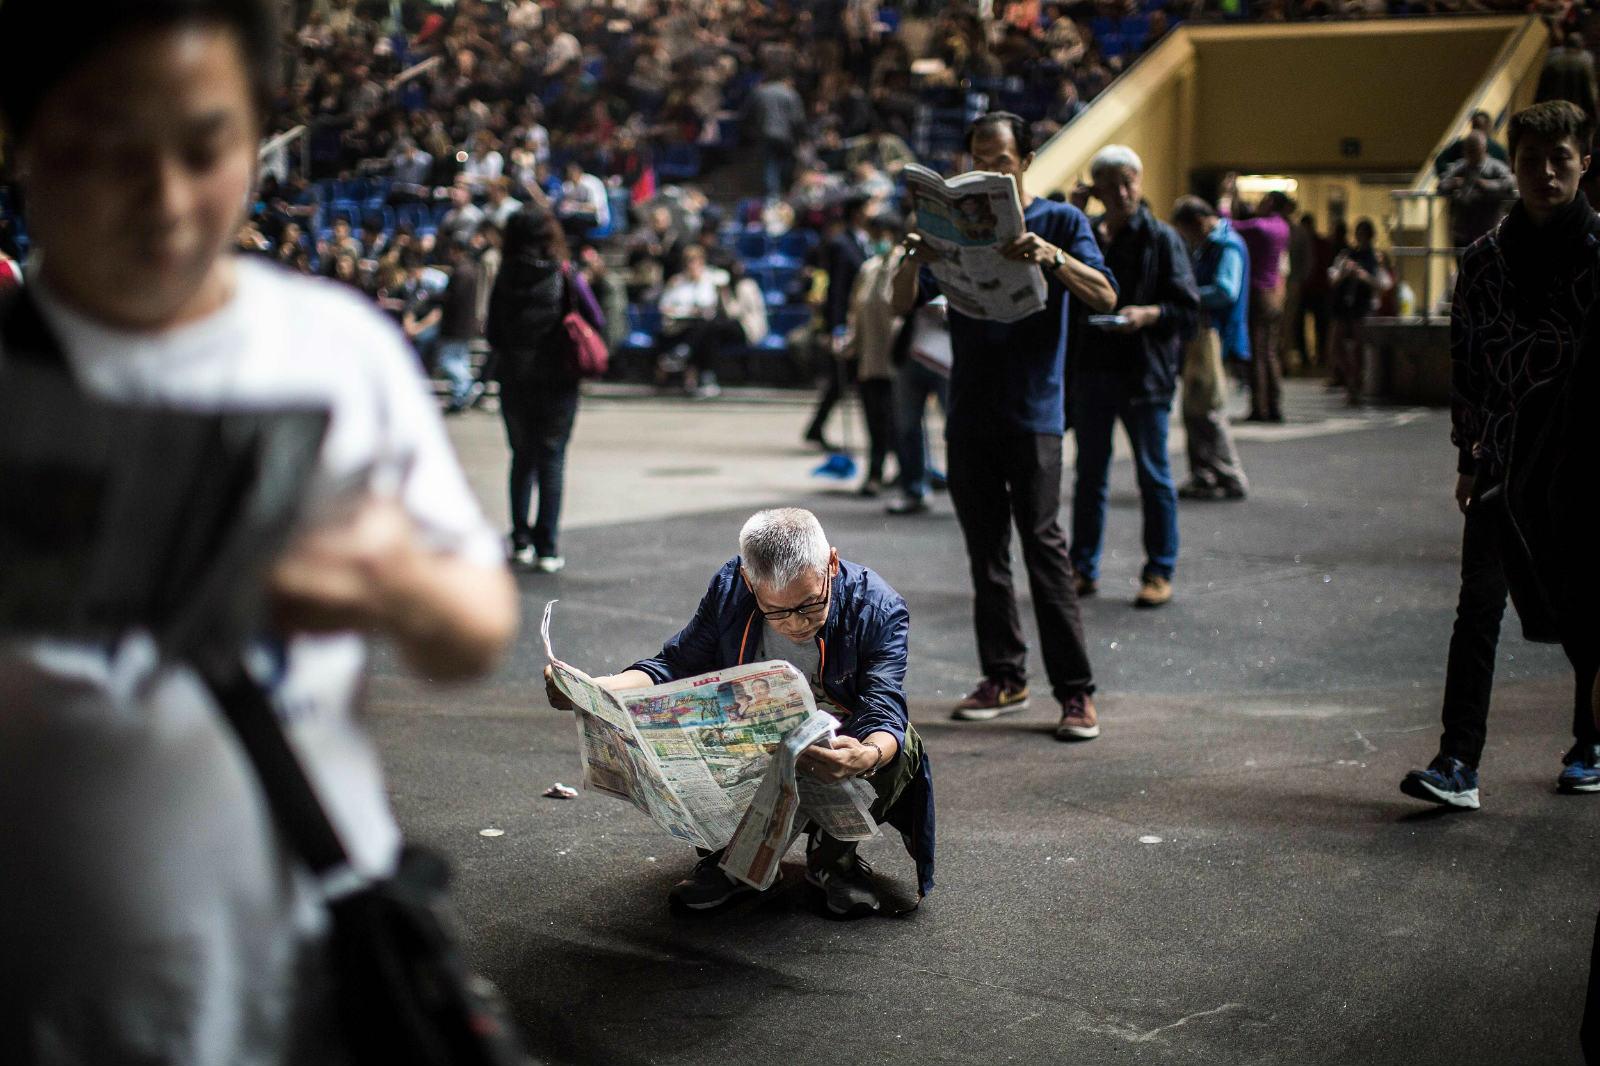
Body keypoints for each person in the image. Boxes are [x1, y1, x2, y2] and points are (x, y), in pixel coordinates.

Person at [0, 0, 519, 1059]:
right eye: (108, 149)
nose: (166, 202)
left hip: (309, 985)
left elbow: (475, 624)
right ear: (26, 145)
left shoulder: (335, 349)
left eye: (206, 148)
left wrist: (393, 581)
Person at [543, 508, 933, 918]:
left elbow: (883, 705)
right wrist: (593, 690)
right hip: (755, 744)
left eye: (810, 605)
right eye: (777, 611)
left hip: (837, 743)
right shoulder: (730, 589)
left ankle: (833, 858)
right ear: (750, 583)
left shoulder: (877, 606)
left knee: (900, 744)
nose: (796, 624)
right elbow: (676, 664)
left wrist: (867, 754)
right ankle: (736, 862)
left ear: (831, 564)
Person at [890, 112, 1117, 738]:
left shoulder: (1061, 221)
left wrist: (1052, 258)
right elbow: (898, 302)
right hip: (969, 414)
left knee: (1044, 550)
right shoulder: (955, 227)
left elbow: (1105, 295)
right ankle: (1005, 676)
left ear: (1027, 159)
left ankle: (1076, 693)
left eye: (1004, 159)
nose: (993, 168)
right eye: (980, 158)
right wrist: (915, 252)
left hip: (1036, 413)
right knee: (984, 556)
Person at [1401, 100, 1600, 809]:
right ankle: (1459, 761)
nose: (1545, 173)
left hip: (1581, 465)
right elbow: (1468, 363)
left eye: (1560, 159)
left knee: (1588, 608)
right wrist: (1467, 455)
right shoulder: (1483, 260)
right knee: (1477, 604)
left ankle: (1589, 741)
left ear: (1585, 160)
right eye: (1531, 161)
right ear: (1512, 166)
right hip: (1504, 459)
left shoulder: (1598, 254)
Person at [1068, 146, 1199, 609]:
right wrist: (1074, 213)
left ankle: (1159, 570)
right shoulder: (1086, 237)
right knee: (1089, 476)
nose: (1123, 192)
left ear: (1140, 182)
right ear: (1097, 189)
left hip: (1145, 374)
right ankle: (1082, 568)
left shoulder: (1162, 238)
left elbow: (1187, 307)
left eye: (1130, 182)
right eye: (1112, 184)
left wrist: (1148, 314)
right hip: (1094, 372)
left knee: (1153, 475)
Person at [487, 207, 604, 572]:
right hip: (558, 379)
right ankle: (547, 547)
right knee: (552, 460)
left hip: (514, 378)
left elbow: (491, 331)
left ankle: (519, 538)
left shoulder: (504, 276)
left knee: (521, 457)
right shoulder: (565, 274)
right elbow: (596, 318)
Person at [1172, 196, 1251, 501]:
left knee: (1208, 409)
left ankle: (1229, 474)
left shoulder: (1227, 246)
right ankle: (1204, 474)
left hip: (1216, 335)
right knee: (1195, 408)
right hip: (1203, 335)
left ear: (1201, 221)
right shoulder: (1210, 245)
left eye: (1188, 231)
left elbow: (1225, 291)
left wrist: (1187, 295)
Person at [844, 213, 907, 497]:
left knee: (898, 420)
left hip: (897, 357)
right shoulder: (868, 269)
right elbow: (856, 312)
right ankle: (875, 472)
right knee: (874, 420)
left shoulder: (904, 265)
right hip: (870, 358)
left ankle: (908, 472)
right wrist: (851, 346)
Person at [803, 195, 873, 450]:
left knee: (840, 380)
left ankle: (815, 427)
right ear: (856, 212)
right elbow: (838, 290)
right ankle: (817, 428)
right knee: (844, 377)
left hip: (862, 320)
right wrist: (836, 327)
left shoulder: (864, 242)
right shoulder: (841, 244)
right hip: (846, 322)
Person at [1228, 189, 1293, 423]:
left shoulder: (1260, 226)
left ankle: (1259, 407)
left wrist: (1226, 199)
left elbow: (1226, 223)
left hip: (1258, 293)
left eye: (1264, 200)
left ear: (1272, 202)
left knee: (1257, 353)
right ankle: (1274, 404)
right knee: (1271, 352)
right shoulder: (1283, 228)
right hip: (1275, 293)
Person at [658, 244, 742, 398]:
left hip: (707, 327)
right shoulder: (676, 282)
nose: (692, 265)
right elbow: (665, 306)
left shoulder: (711, 278)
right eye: (689, 261)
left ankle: (684, 354)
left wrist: (702, 279)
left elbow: (714, 298)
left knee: (706, 328)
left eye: (696, 260)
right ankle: (706, 379)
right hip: (680, 327)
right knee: (704, 331)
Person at [1325, 218, 1388, 406]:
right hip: (1344, 306)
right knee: (1336, 346)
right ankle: (1349, 379)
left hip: (1362, 306)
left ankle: (1355, 385)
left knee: (1359, 349)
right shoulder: (1347, 255)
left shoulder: (1375, 258)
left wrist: (1364, 277)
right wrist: (1346, 273)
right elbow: (1333, 279)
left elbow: (1382, 284)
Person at [1439, 131, 1518, 253]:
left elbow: (1509, 182)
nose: (1471, 155)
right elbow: (1442, 184)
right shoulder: (1461, 167)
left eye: (1474, 150)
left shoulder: (1495, 167)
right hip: (1463, 230)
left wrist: (1486, 185)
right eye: (1468, 150)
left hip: (1489, 228)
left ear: (1483, 149)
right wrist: (1454, 183)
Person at [435, 237, 483, 414]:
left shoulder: (462, 272)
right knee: (461, 361)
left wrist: (437, 297)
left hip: (456, 325)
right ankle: (460, 397)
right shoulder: (469, 269)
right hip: (464, 325)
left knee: (448, 362)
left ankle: (468, 386)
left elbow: (453, 299)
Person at [1433, 110, 1510, 177]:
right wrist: (1452, 176)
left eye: (1479, 127)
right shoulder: (1460, 146)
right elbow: (1440, 163)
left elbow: (1507, 174)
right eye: (1474, 127)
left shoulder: (1497, 151)